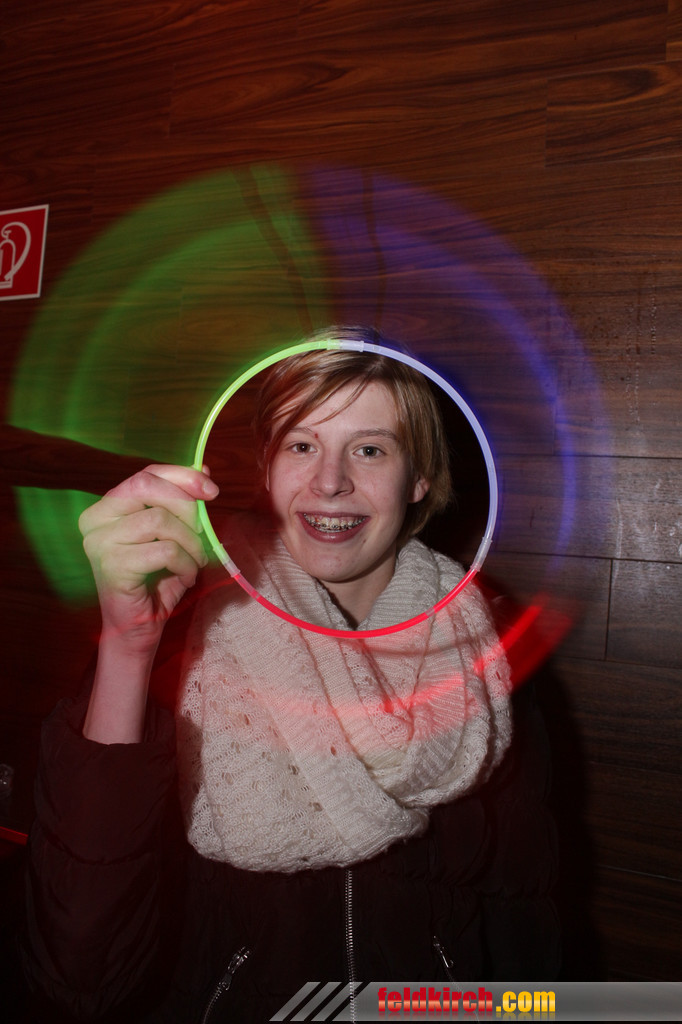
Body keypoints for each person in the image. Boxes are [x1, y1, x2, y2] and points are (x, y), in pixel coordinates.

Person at [22, 327, 560, 1023]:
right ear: (267, 469)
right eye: (301, 446)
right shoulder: (176, 636)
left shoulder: (484, 647)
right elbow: (81, 974)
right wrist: (129, 647)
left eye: (370, 449)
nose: (330, 481)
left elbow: (523, 905)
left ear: (419, 478)